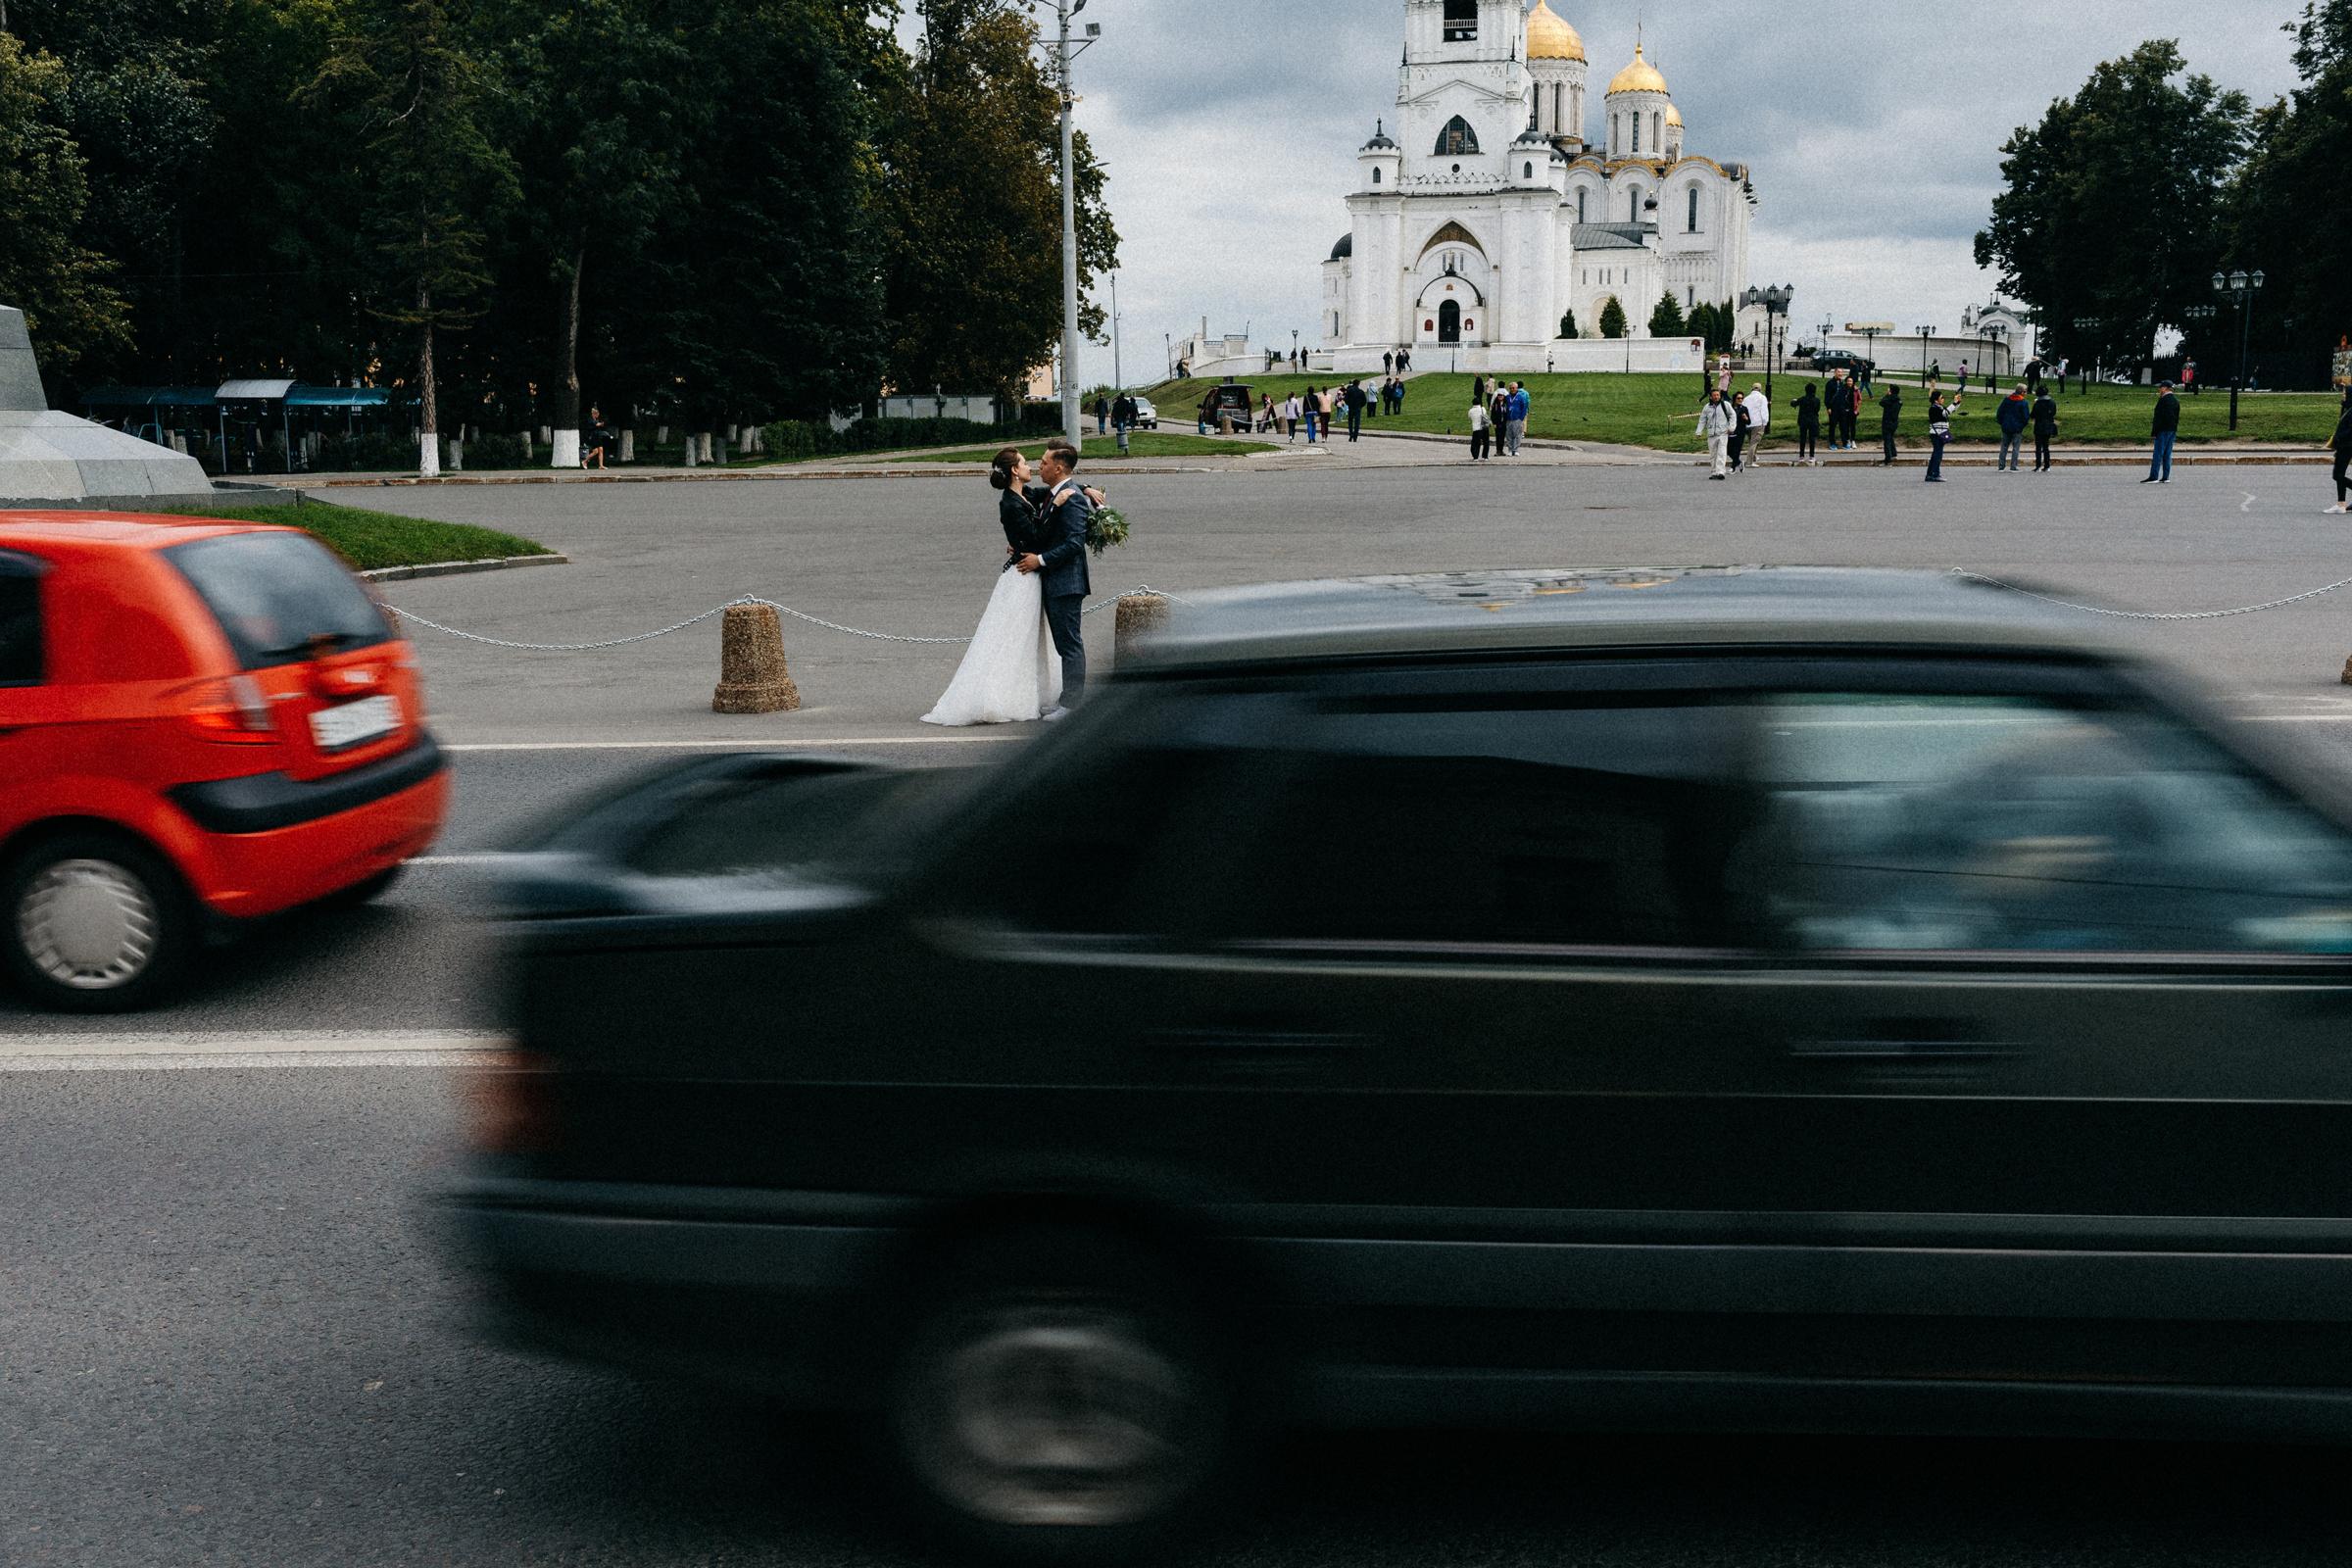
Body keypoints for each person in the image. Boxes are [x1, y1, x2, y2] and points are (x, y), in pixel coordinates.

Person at [919, 449, 1066, 726]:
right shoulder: (1010, 503)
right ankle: (999, 695)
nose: (1030, 466)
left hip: (1030, 573)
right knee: (1011, 638)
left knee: (1026, 639)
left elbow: (1049, 496)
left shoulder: (1025, 494)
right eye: (1024, 463)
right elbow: (1035, 537)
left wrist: (1082, 489)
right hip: (1023, 577)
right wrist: (1056, 507)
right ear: (1014, 471)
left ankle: (1029, 693)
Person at [1008, 441, 1094, 718]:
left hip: (1066, 583)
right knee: (1063, 645)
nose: (1039, 466)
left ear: (1058, 468)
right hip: (1055, 582)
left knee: (1069, 645)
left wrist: (1039, 560)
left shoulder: (1073, 500)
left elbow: (1073, 545)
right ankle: (1065, 700)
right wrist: (1087, 486)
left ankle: (1071, 706)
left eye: (1044, 463)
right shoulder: (1054, 493)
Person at [2143, 381, 2180, 483]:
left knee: (2158, 454)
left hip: (2163, 430)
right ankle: (2165, 476)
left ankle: (2154, 476)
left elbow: (2158, 418)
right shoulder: (2175, 401)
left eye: (2160, 388)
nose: (2159, 390)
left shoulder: (2163, 401)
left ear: (2164, 388)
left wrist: (2154, 432)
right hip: (2172, 429)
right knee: (2167, 453)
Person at [1696, 387, 1735, 478]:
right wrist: (1699, 432)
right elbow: (1702, 420)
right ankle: (1714, 471)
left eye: (1718, 395)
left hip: (1722, 433)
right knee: (1713, 454)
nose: (1716, 397)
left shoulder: (1725, 405)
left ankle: (1721, 472)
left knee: (1721, 453)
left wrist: (1731, 427)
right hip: (1712, 434)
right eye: (1714, 395)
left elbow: (1733, 416)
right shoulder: (1707, 407)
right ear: (1710, 397)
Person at [1994, 383, 2030, 471]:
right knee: (2016, 448)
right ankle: (2013, 466)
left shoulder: (2007, 399)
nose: (2025, 393)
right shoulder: (2023, 402)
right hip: (2017, 427)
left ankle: (2001, 466)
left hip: (2006, 426)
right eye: (2024, 391)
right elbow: (2025, 416)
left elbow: (1999, 413)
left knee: (2004, 447)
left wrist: (2002, 423)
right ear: (2021, 392)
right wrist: (2022, 425)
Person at [2328, 392, 2352, 513]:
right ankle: (2341, 503)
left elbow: (2346, 432)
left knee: (2337, 475)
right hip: (2343, 446)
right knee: (2340, 475)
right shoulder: (2347, 408)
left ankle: (2340, 504)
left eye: (2345, 393)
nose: (2343, 395)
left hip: (2347, 447)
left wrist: (2339, 444)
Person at [2031, 382, 2059, 471]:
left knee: (2038, 447)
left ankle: (2038, 466)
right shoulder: (2052, 402)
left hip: (2039, 426)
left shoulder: (2037, 403)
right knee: (2046, 447)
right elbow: (2054, 413)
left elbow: (2032, 415)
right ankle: (2047, 465)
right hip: (2048, 426)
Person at [1740, 381, 1769, 466]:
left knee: (1751, 441)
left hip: (1748, 423)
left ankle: (1754, 456)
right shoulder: (1762, 398)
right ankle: (1749, 461)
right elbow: (1764, 411)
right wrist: (1765, 422)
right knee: (1754, 443)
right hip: (1758, 422)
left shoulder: (1746, 398)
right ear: (1760, 389)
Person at [1792, 380, 1821, 465]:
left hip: (1803, 420)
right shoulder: (1817, 400)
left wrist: (1794, 400)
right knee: (1812, 438)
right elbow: (1817, 409)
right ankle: (1812, 456)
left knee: (1803, 438)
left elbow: (1793, 404)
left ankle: (1801, 456)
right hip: (1813, 420)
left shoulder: (1803, 399)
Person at [1925, 391, 1949, 481]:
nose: (1943, 399)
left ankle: (1930, 474)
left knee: (1935, 455)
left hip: (1939, 434)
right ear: (1936, 400)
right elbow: (1946, 412)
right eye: (1941, 397)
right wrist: (1955, 403)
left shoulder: (1938, 408)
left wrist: (1957, 403)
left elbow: (1948, 411)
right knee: (1938, 455)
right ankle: (1935, 474)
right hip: (1937, 435)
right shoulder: (1934, 409)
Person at [1879, 383, 1904, 465]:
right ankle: (1894, 453)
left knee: (1887, 440)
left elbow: (1881, 403)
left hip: (1887, 421)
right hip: (1895, 421)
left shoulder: (1889, 400)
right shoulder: (1899, 401)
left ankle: (1887, 460)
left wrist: (1887, 395)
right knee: (1891, 437)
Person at [1503, 381, 1529, 456]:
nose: (1512, 389)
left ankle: (1516, 449)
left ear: (1517, 388)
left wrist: (1521, 418)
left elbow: (1524, 408)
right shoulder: (1507, 397)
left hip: (1517, 418)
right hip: (1509, 419)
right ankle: (1510, 450)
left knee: (1517, 435)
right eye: (1510, 388)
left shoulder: (1520, 397)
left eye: (1513, 388)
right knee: (1509, 435)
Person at [1468, 393, 1490, 460]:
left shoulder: (1471, 411)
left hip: (1476, 429)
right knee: (1486, 442)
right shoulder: (1483, 409)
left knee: (1475, 444)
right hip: (1484, 428)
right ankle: (1485, 456)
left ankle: (1475, 457)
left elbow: (1469, 416)